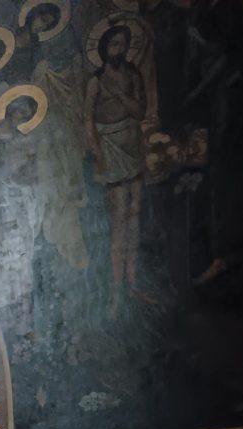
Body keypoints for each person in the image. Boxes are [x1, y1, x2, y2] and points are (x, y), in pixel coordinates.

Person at [84, 24, 147, 315]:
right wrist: (97, 154)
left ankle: (133, 283)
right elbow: (88, 120)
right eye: (113, 45)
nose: (119, 50)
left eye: (123, 44)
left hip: (133, 145)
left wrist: (122, 96)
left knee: (135, 215)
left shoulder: (133, 75)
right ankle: (117, 290)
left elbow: (140, 111)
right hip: (110, 148)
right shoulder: (96, 81)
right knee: (120, 217)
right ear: (103, 49)